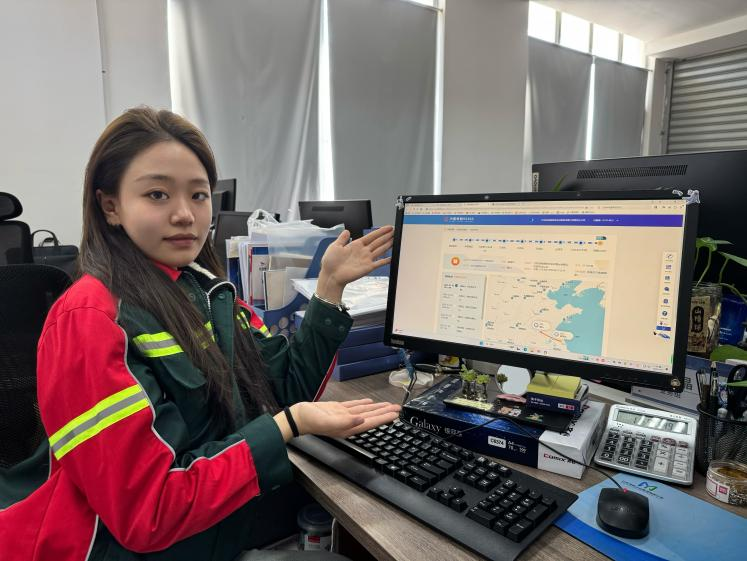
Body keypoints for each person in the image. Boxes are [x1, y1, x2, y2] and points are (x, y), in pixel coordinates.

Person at [0, 107, 400, 561]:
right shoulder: (90, 320)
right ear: (110, 206)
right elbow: (147, 514)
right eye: (157, 194)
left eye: (198, 195)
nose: (185, 215)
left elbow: (285, 391)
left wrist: (328, 288)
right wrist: (287, 426)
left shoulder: (206, 291)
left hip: (210, 523)